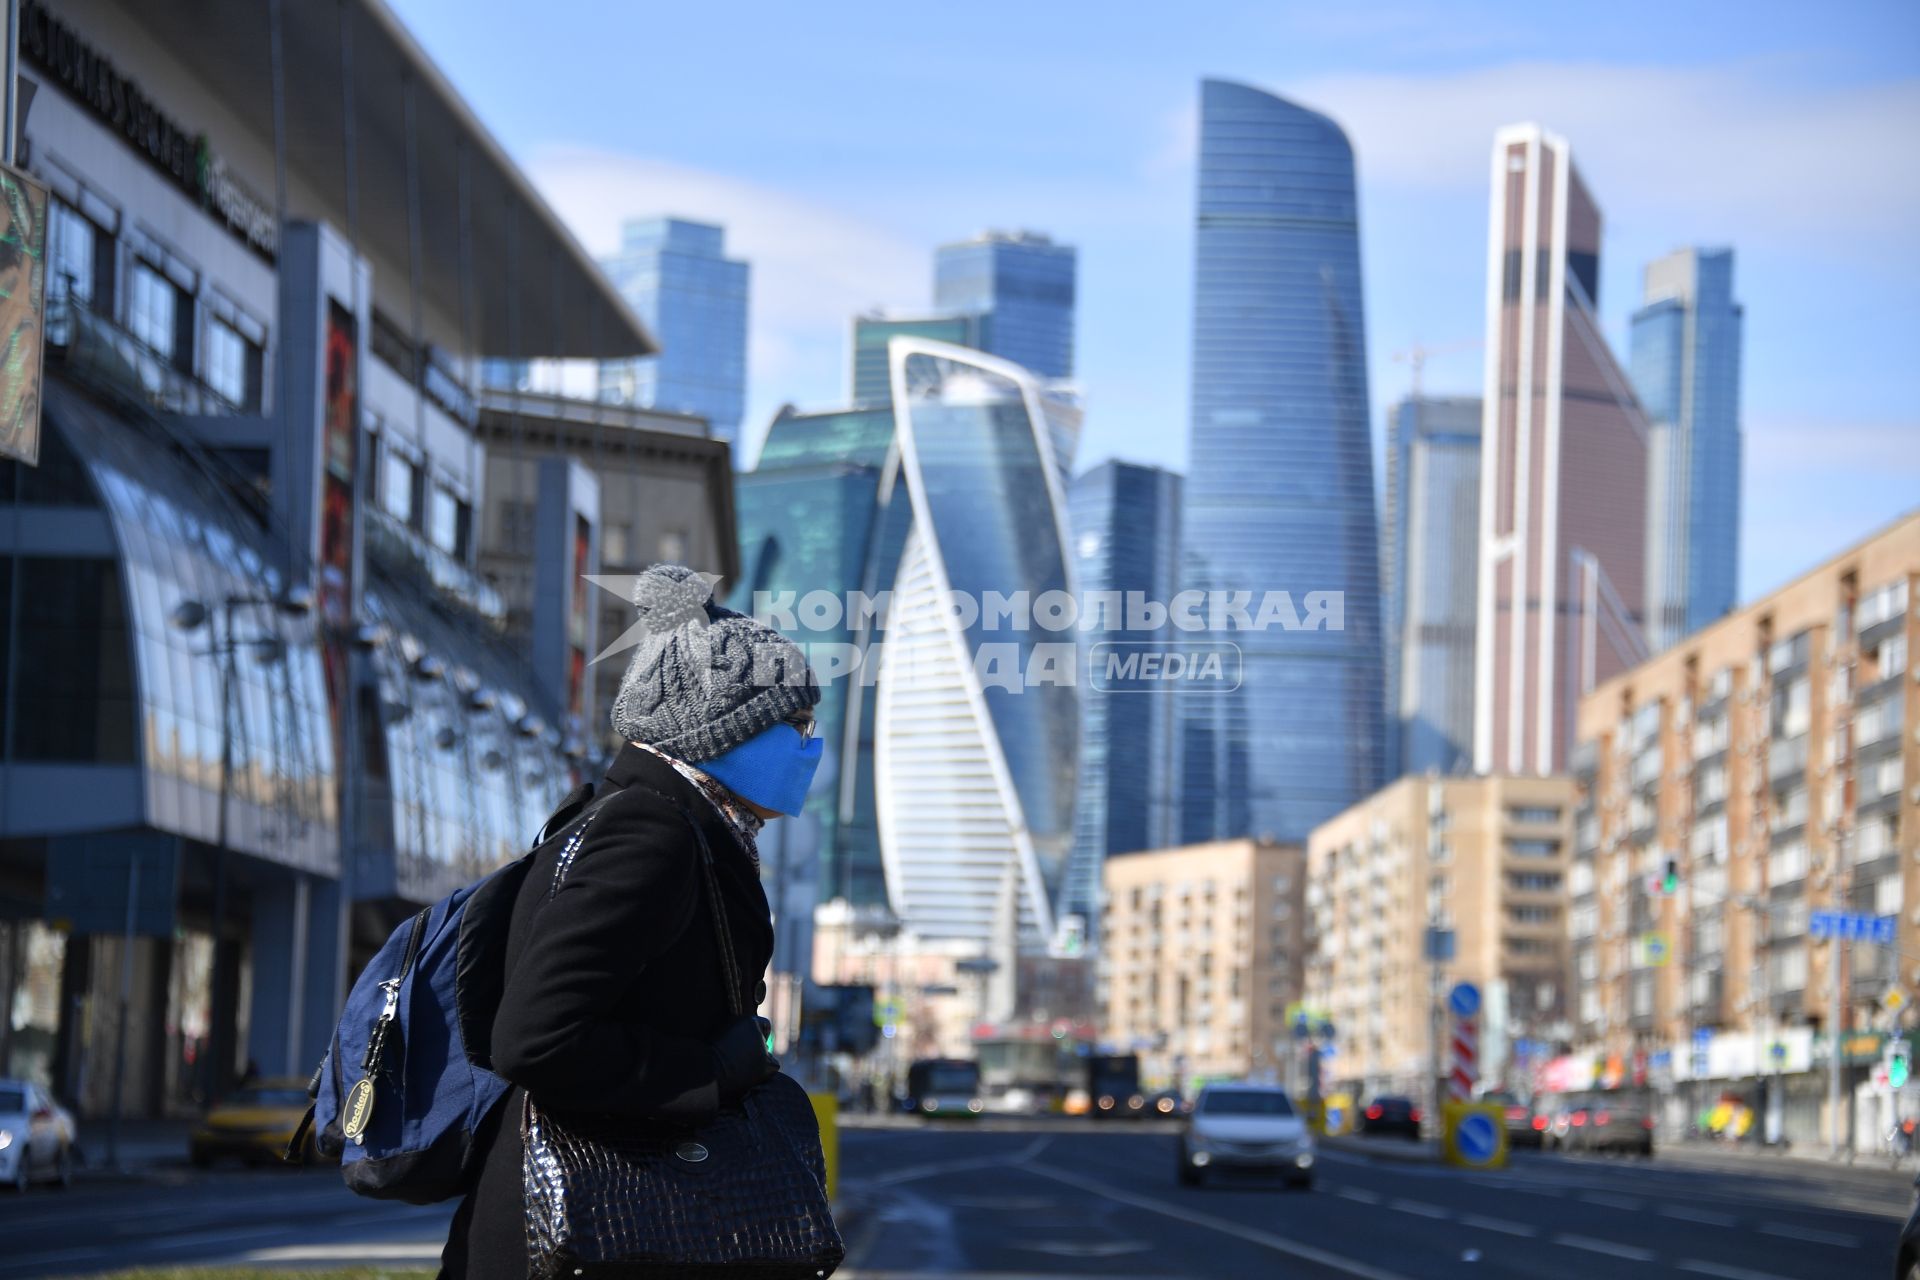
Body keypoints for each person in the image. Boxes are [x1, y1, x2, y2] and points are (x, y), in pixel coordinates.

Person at [440, 564, 822, 1278]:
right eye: (794, 723)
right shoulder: (652, 837)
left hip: (602, 1221)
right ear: (719, 727)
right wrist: (709, 1070)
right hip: (586, 1228)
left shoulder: (652, 823)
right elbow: (537, 1039)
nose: (810, 744)